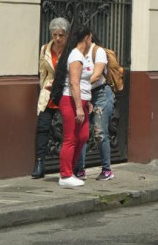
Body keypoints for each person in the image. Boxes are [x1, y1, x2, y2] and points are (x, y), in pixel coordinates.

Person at [48, 24, 101, 188]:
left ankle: (71, 170)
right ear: (86, 38)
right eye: (90, 38)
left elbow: (83, 83)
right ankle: (65, 175)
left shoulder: (81, 55)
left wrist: (87, 102)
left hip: (81, 101)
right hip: (70, 101)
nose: (91, 41)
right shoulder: (76, 56)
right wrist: (78, 107)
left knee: (83, 136)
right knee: (70, 138)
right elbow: (74, 82)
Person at [31, 17, 70, 179]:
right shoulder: (45, 49)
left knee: (68, 130)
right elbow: (43, 73)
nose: (57, 39)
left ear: (66, 35)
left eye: (61, 35)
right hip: (48, 94)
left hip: (65, 92)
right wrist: (44, 90)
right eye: (55, 35)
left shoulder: (71, 51)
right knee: (43, 128)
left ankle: (69, 166)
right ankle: (40, 163)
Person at [75, 36, 116, 181]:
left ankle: (107, 170)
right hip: (84, 94)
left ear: (88, 37)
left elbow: (97, 74)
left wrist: (78, 83)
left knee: (100, 132)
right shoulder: (77, 53)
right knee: (82, 133)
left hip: (101, 94)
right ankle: (80, 169)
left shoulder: (97, 51)